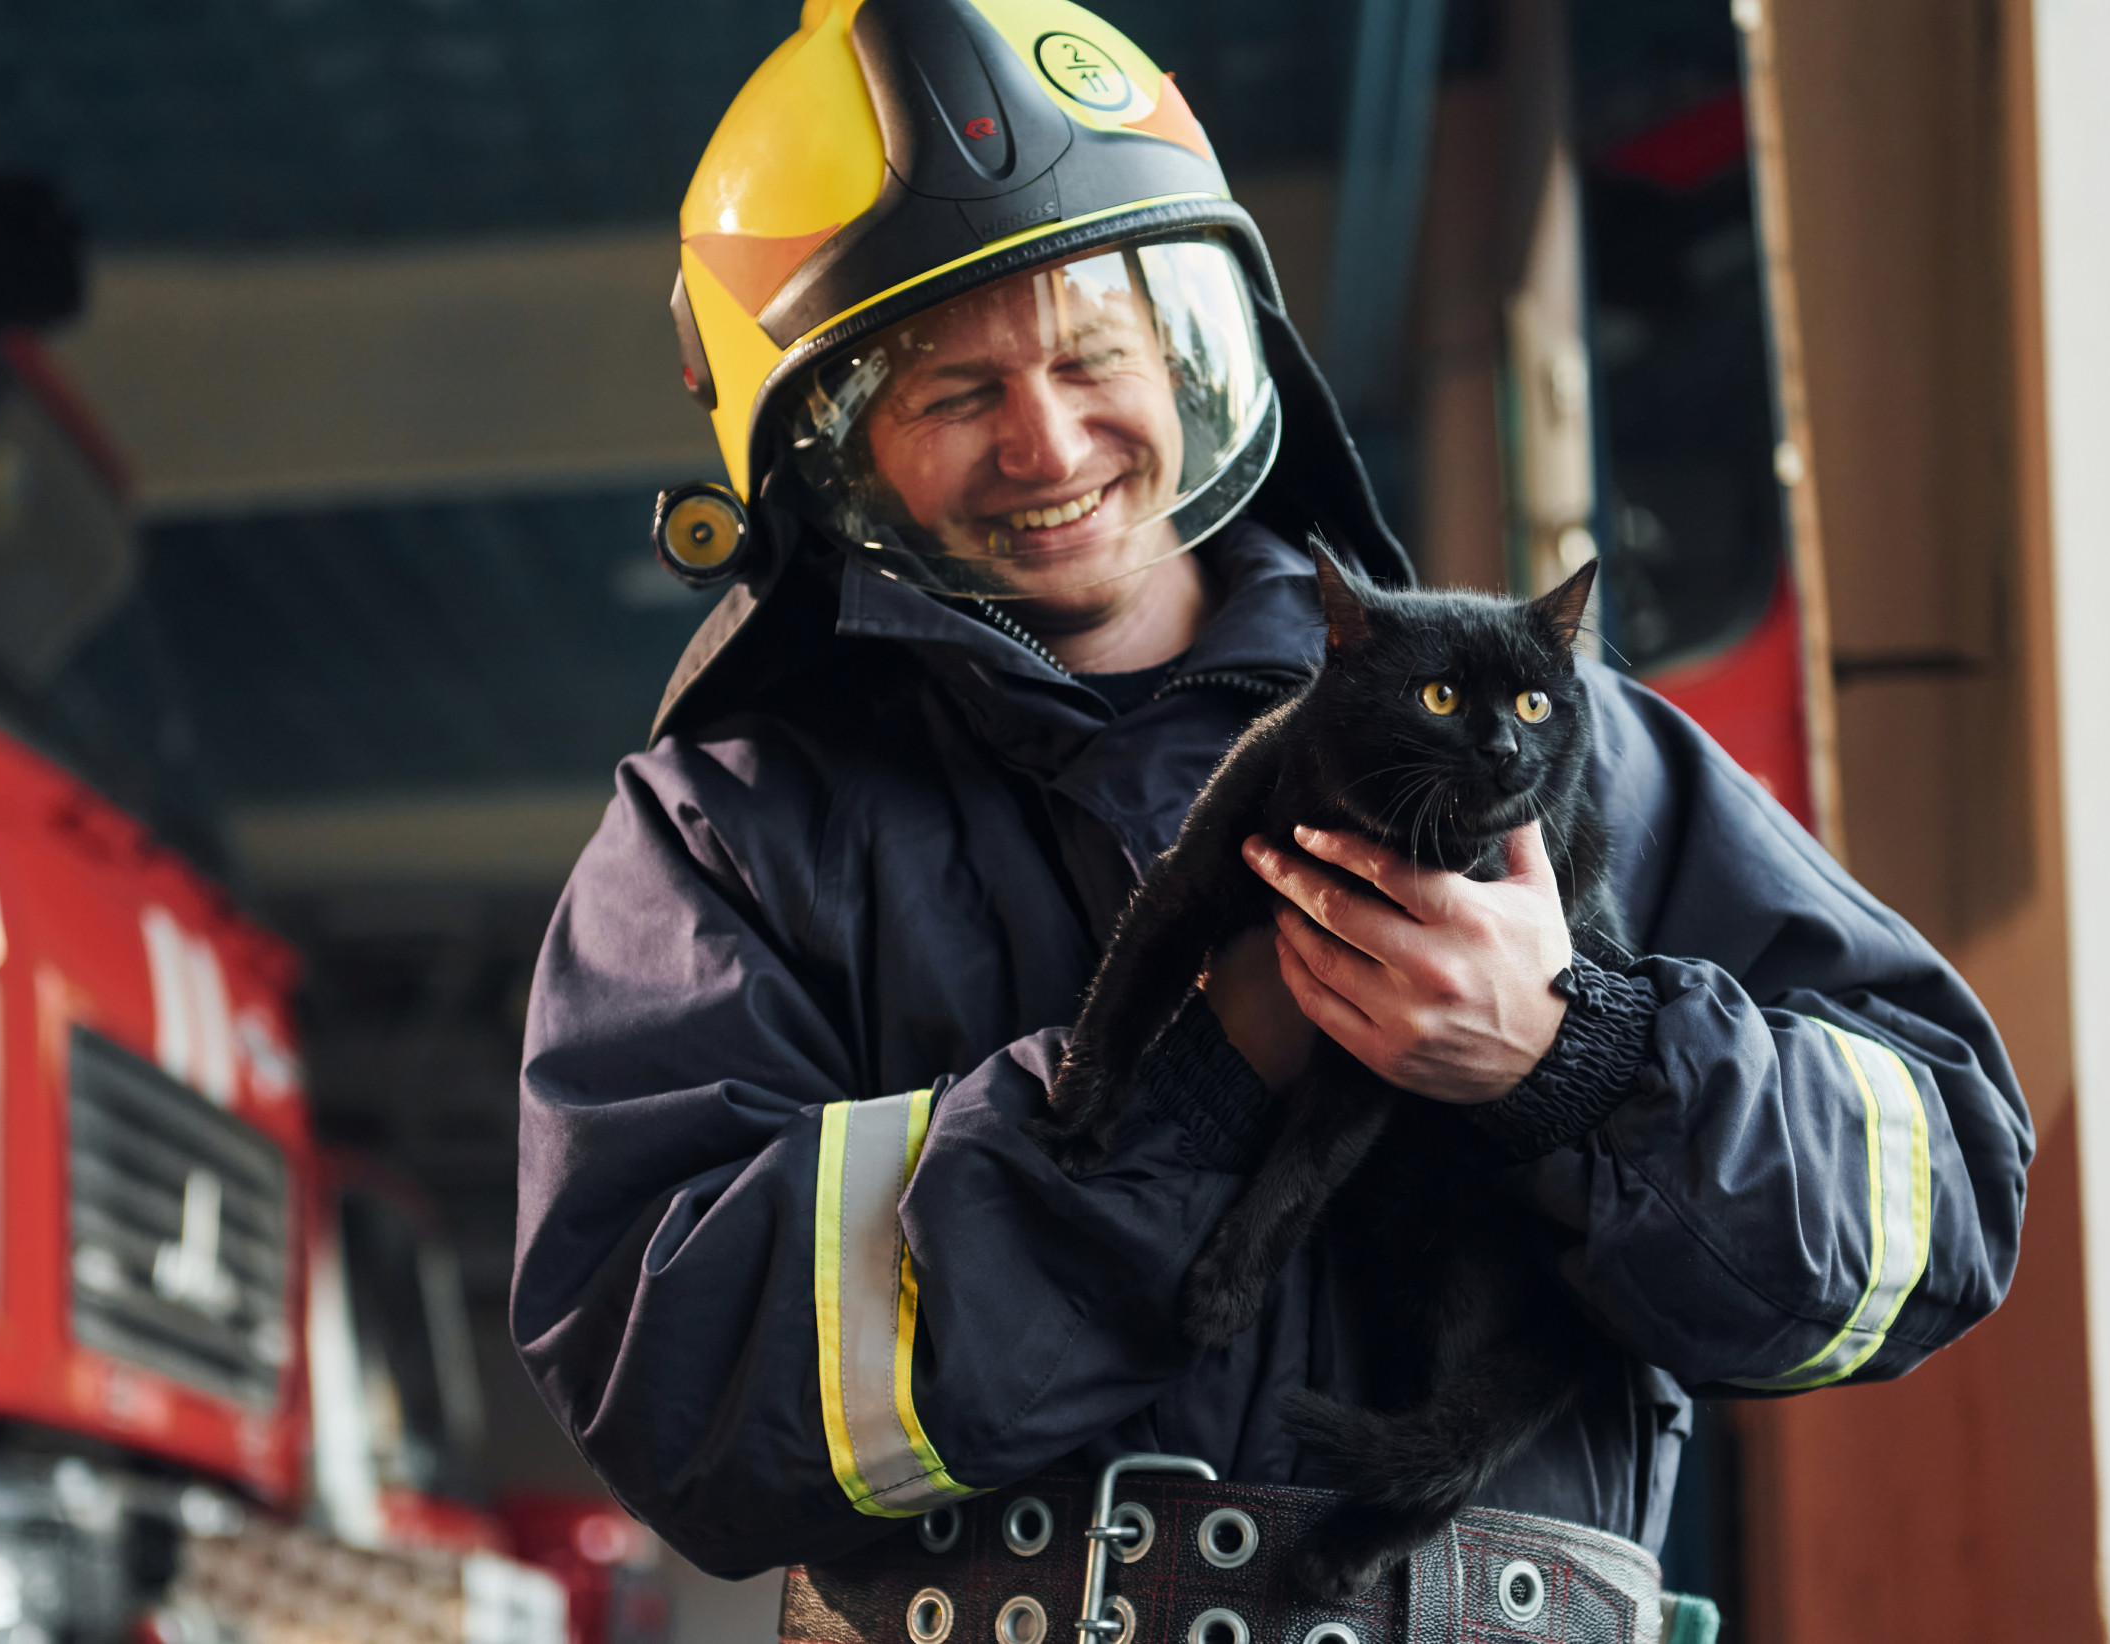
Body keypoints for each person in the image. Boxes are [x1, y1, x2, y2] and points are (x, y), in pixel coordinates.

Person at [512, 0, 2033, 1628]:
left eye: (1095, 351)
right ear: (822, 451)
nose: (1051, 439)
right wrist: (1192, 1084)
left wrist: (1579, 1057)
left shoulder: (1597, 758)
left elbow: (1936, 1207)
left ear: (1194, 347)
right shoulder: (728, 839)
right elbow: (672, 1387)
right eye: (954, 392)